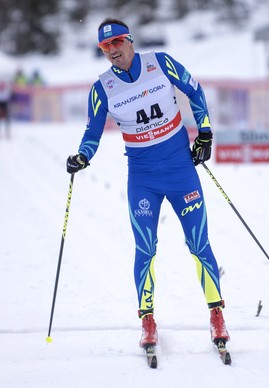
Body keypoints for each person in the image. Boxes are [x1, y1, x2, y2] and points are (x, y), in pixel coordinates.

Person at [66, 18, 230, 353]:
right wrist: (82, 156)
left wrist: (206, 132)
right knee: (146, 248)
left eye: (117, 43)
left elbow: (195, 90)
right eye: (105, 47)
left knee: (199, 243)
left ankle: (217, 315)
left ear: (130, 41)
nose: (112, 51)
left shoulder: (161, 63)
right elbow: (92, 133)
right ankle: (148, 322)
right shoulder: (102, 88)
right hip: (143, 178)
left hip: (180, 170)